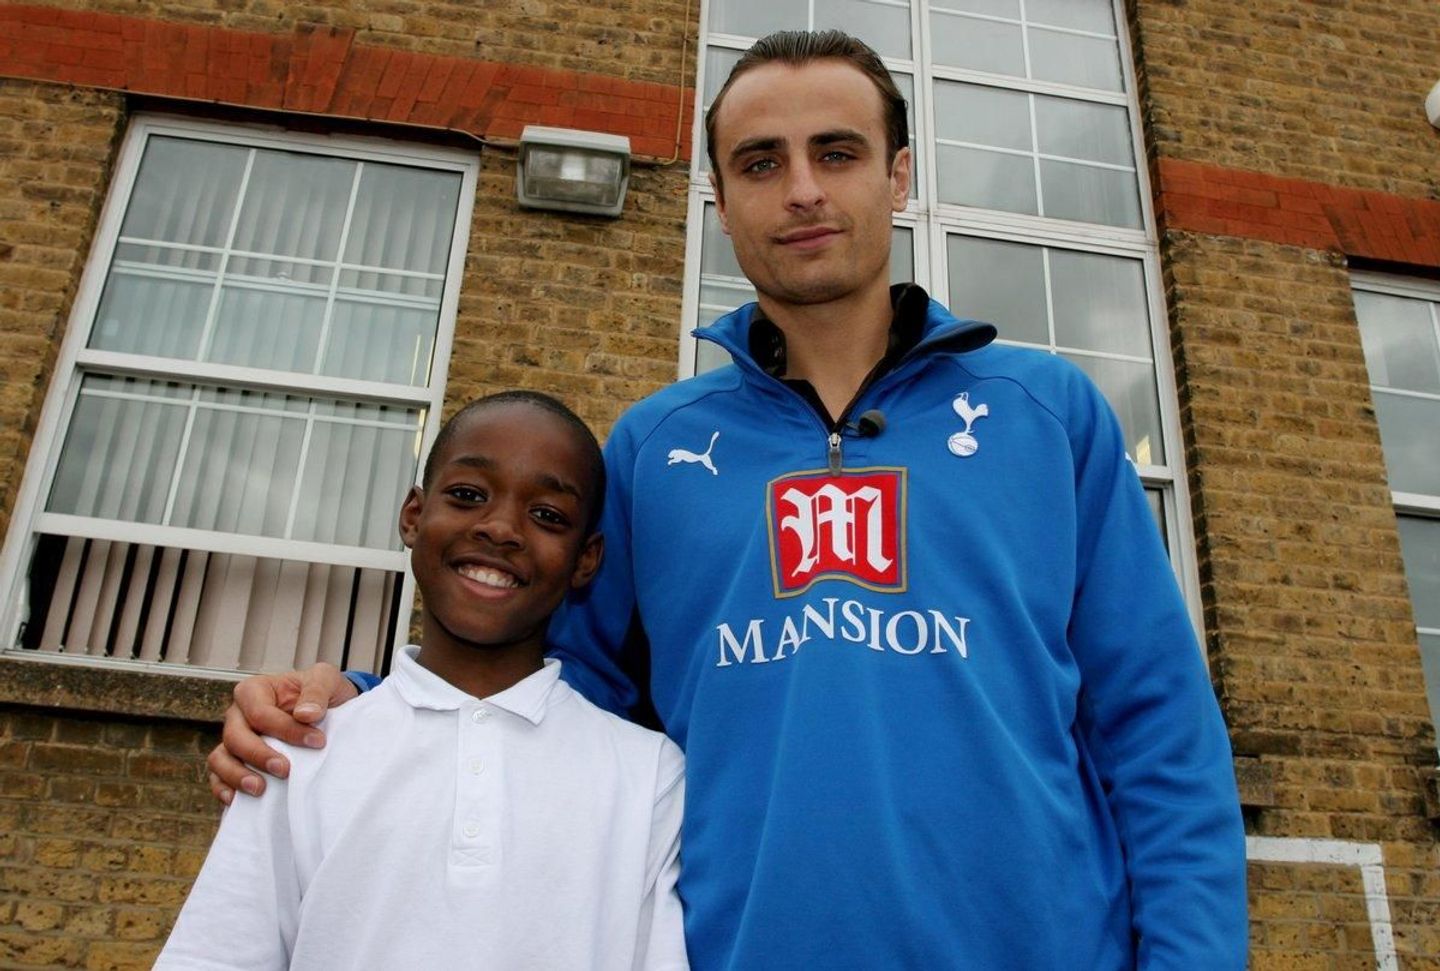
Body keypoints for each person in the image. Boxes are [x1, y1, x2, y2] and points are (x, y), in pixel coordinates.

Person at [208, 31, 1247, 970]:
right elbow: (561, 692)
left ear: (898, 176)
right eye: (761, 163)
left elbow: (1158, 733)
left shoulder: (1047, 412)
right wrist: (364, 703)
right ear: (718, 196)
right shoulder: (657, 447)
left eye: (835, 154)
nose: (801, 189)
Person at [161, 392, 687, 970]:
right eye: (467, 495)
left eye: (548, 516)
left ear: (587, 559)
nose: (501, 528)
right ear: (413, 515)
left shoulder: (649, 775)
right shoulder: (298, 753)